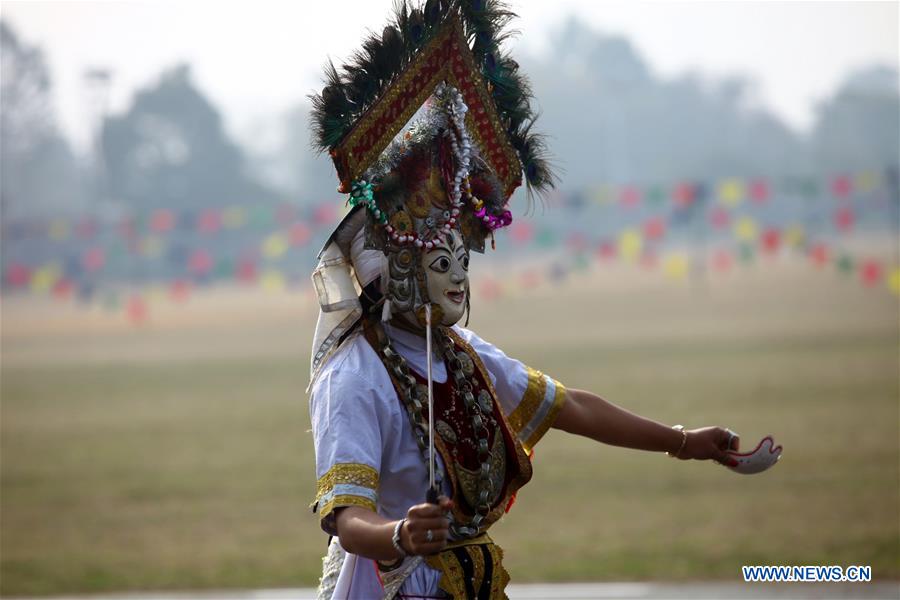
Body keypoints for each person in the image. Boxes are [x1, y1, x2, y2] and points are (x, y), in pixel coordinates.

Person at [306, 3, 740, 598]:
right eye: (440, 262)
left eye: (462, 259)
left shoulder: (463, 354)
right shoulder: (353, 376)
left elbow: (571, 407)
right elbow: (347, 519)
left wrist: (683, 442)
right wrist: (400, 534)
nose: (458, 278)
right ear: (396, 270)